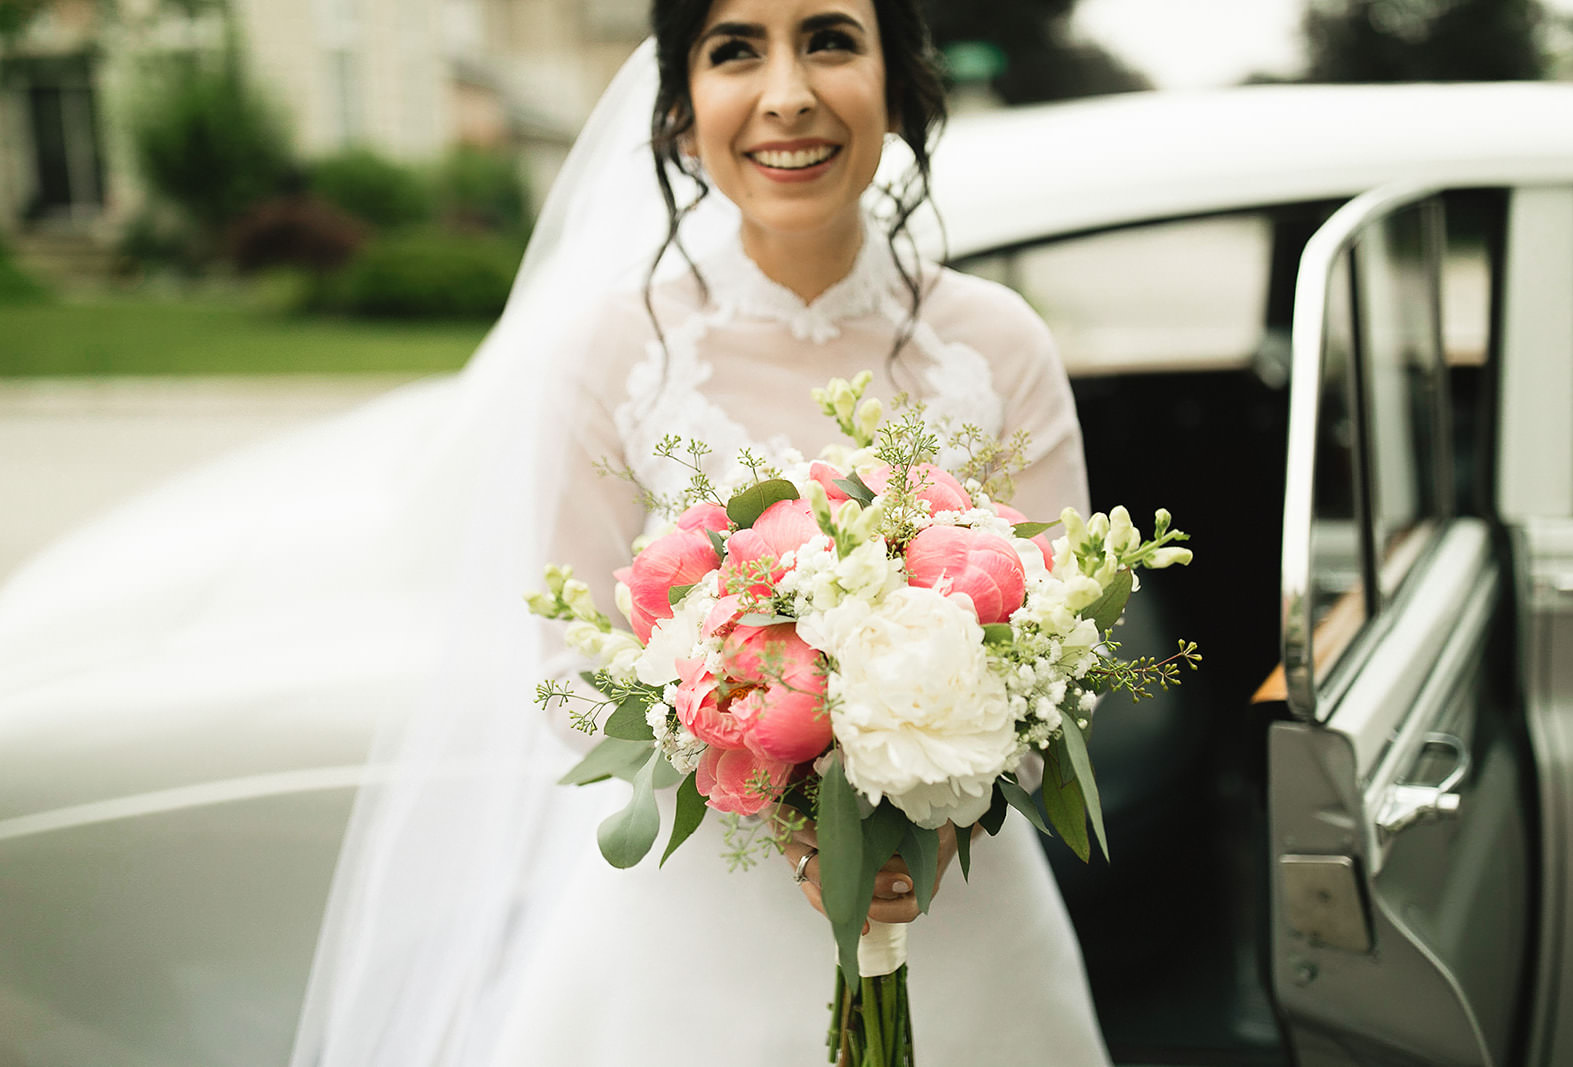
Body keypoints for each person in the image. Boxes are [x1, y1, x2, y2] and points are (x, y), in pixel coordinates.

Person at [0, 1, 1110, 1063]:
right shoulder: (613, 353)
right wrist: (791, 818)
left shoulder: (996, 345)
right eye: (735, 51)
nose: (787, 94)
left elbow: (1064, 630)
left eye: (830, 42)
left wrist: (930, 824)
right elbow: (573, 667)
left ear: (900, 82)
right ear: (679, 106)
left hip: (957, 908)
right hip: (693, 929)